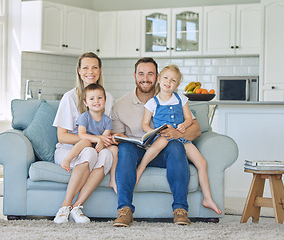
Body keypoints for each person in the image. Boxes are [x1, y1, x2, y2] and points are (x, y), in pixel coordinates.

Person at [111, 57, 202, 227]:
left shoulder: (171, 98)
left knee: (176, 147)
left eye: (150, 74)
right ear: (134, 75)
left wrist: (176, 133)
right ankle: (124, 210)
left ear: (158, 77)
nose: (145, 78)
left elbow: (196, 129)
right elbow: (118, 136)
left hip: (164, 151)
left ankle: (180, 210)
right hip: (137, 151)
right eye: (141, 74)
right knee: (124, 149)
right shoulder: (120, 105)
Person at [137, 65, 221, 215]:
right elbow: (144, 124)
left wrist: (184, 125)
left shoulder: (181, 98)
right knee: (155, 148)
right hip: (163, 135)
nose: (168, 82)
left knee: (202, 163)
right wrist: (154, 132)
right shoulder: (152, 102)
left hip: (182, 139)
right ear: (158, 79)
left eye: (173, 80)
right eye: (165, 78)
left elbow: (189, 118)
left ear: (177, 85)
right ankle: (141, 168)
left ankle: (207, 198)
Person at [52, 52, 114, 224]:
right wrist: (94, 139)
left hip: (95, 148)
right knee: (88, 151)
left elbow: (106, 129)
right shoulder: (70, 97)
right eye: (85, 67)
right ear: (79, 71)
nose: (90, 71)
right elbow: (62, 136)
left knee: (107, 155)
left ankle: (77, 207)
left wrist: (108, 139)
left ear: (100, 70)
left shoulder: (107, 98)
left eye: (95, 67)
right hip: (68, 150)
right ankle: (64, 207)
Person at [60, 83, 119, 192]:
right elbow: (81, 135)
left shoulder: (107, 121)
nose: (96, 101)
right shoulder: (84, 117)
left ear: (105, 101)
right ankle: (67, 160)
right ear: (86, 103)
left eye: (100, 98)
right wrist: (97, 139)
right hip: (87, 143)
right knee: (85, 141)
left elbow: (105, 138)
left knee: (115, 149)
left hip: (99, 145)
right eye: (92, 99)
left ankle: (113, 179)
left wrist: (101, 141)